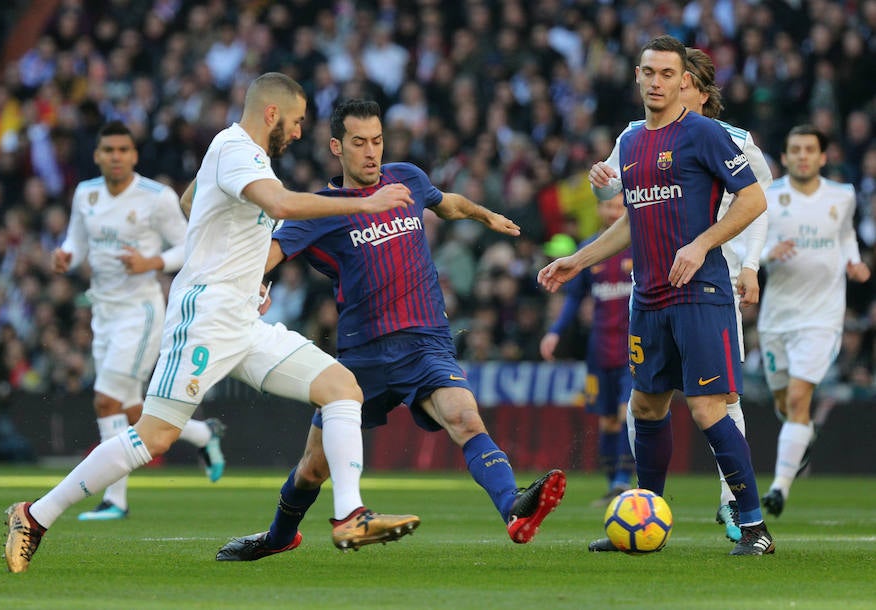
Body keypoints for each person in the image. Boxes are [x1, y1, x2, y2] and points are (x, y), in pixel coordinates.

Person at [4, 73, 419, 574]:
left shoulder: (235, 153)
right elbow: (282, 204)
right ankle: (35, 514)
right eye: (296, 121)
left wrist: (244, 274)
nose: (298, 130)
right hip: (204, 319)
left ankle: (350, 515)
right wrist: (365, 202)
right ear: (272, 114)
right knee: (152, 438)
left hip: (241, 316)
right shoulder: (236, 148)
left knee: (342, 388)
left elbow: (188, 203)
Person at [215, 99, 566, 562]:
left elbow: (446, 203)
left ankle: (514, 510)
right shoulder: (323, 208)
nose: (371, 152)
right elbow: (273, 253)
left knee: (464, 417)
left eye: (377, 141)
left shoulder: (408, 178)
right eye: (359, 143)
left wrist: (484, 216)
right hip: (364, 357)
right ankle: (280, 535)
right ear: (337, 147)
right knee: (314, 468)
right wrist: (254, 283)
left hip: (427, 341)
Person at [538, 35, 774, 556]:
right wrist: (579, 259)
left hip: (700, 292)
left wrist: (703, 243)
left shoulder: (704, 133)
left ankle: (755, 527)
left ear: (684, 81)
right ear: (637, 76)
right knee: (645, 405)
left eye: (667, 74)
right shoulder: (632, 141)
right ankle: (648, 519)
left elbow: (754, 198)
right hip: (648, 299)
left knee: (709, 408)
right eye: (648, 72)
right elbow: (631, 220)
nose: (657, 82)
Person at [51, 120, 227, 521]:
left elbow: (188, 246)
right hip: (104, 311)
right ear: (97, 155)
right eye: (108, 150)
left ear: (134, 155)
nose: (116, 156)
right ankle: (203, 434)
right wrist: (66, 256)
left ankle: (116, 499)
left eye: (123, 150)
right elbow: (77, 242)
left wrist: (153, 262)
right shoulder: (86, 194)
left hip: (142, 310)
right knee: (132, 409)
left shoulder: (156, 197)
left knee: (106, 398)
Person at [758, 125, 870, 517]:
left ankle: (778, 489)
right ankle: (801, 437)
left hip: (822, 317)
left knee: (799, 398)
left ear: (823, 157)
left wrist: (853, 262)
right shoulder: (767, 199)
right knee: (785, 405)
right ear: (785, 157)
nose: (802, 156)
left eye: (810, 149)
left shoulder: (843, 196)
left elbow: (845, 238)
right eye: (795, 150)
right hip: (777, 317)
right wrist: (771, 253)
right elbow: (748, 252)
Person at [539, 193, 634, 508]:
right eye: (607, 206)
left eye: (618, 206)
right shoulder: (590, 250)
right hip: (600, 349)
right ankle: (612, 484)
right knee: (607, 420)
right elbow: (573, 299)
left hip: (634, 348)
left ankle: (624, 482)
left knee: (625, 415)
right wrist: (554, 332)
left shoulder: (638, 244)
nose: (611, 211)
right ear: (599, 209)